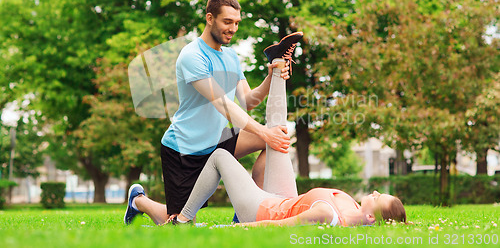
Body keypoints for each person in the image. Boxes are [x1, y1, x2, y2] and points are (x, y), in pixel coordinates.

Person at [126, 58, 406, 227]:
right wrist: (273, 76)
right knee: (277, 136)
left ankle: (160, 210)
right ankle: (279, 65)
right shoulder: (353, 208)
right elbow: (247, 102)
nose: (374, 193)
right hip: (276, 195)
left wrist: (237, 229)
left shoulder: (330, 214)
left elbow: (279, 226)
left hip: (265, 208)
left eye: (378, 198)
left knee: (219, 158)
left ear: (372, 219)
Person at [124, 0, 304, 225]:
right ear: (210, 18)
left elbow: (248, 100)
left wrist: (271, 77)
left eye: (237, 22)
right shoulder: (192, 56)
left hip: (218, 140)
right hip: (184, 149)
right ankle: (138, 200)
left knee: (274, 138)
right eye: (227, 22)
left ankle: (249, 212)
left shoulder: (231, 57)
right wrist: (263, 131)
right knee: (177, 223)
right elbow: (223, 104)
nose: (233, 28)